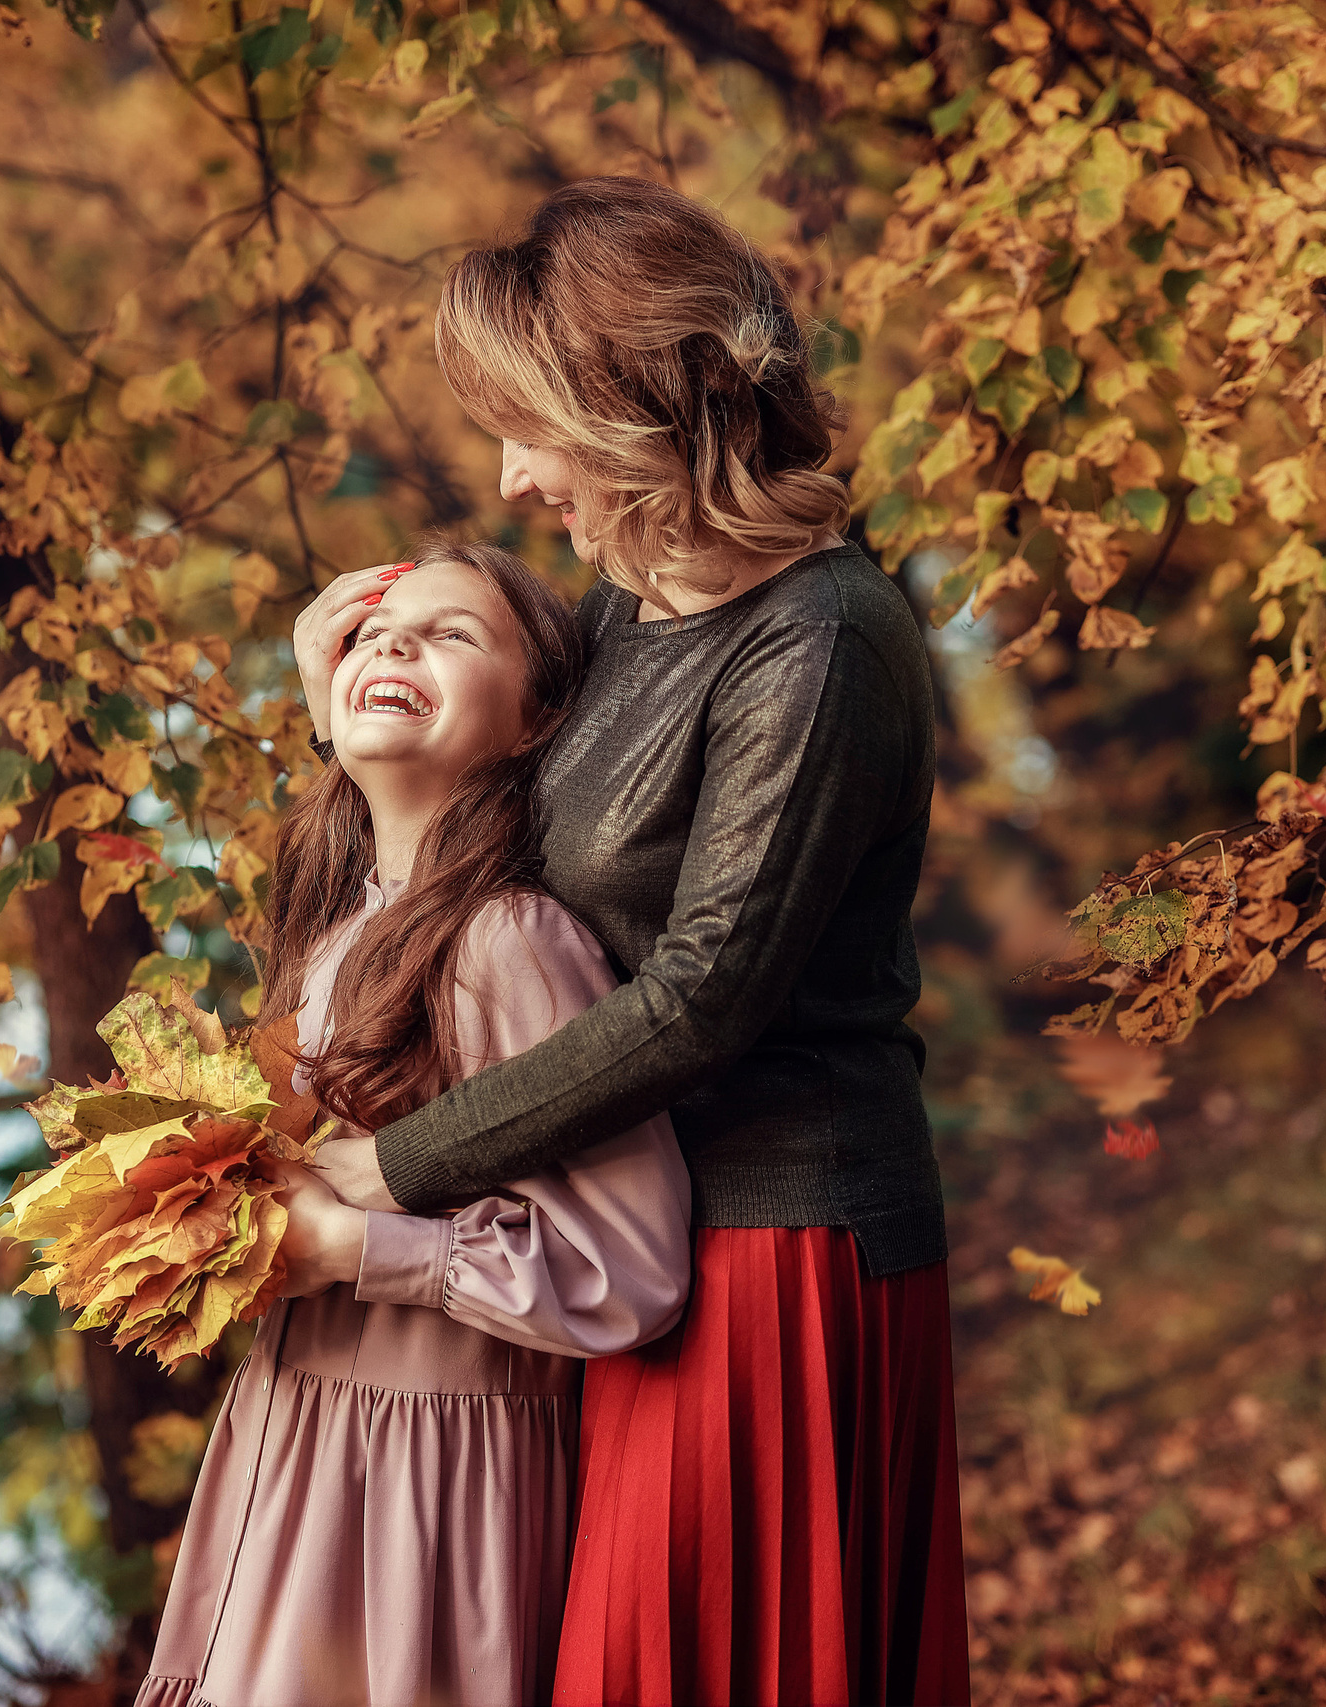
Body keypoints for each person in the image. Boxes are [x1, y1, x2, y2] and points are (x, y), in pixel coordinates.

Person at [300, 178, 971, 1707]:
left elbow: (702, 1000)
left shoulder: (822, 640)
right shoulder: (628, 608)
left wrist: (394, 1170)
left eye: (535, 429)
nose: (516, 475)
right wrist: (335, 709)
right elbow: (473, 834)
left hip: (773, 1248)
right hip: (628, 1235)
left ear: (635, 417)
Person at [138, 543, 693, 1707]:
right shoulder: (338, 929)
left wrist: (356, 1248)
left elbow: (627, 1272)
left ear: (538, 721)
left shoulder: (507, 943)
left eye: (453, 633)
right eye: (372, 632)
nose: (394, 643)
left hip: (427, 1491)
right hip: (299, 1443)